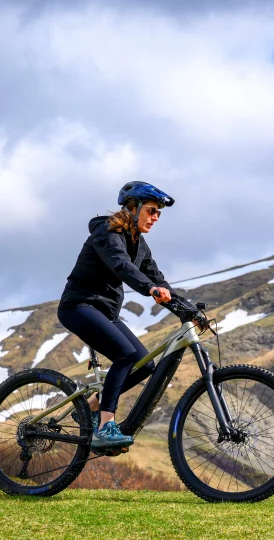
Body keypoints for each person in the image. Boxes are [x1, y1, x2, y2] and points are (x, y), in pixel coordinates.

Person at [56, 181, 175, 449]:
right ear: (133, 208)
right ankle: (105, 426)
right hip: (79, 306)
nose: (155, 218)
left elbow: (158, 278)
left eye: (159, 213)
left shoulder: (140, 245)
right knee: (126, 355)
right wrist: (149, 288)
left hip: (105, 312)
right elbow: (121, 266)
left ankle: (88, 409)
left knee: (145, 365)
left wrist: (188, 310)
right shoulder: (107, 232)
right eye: (152, 211)